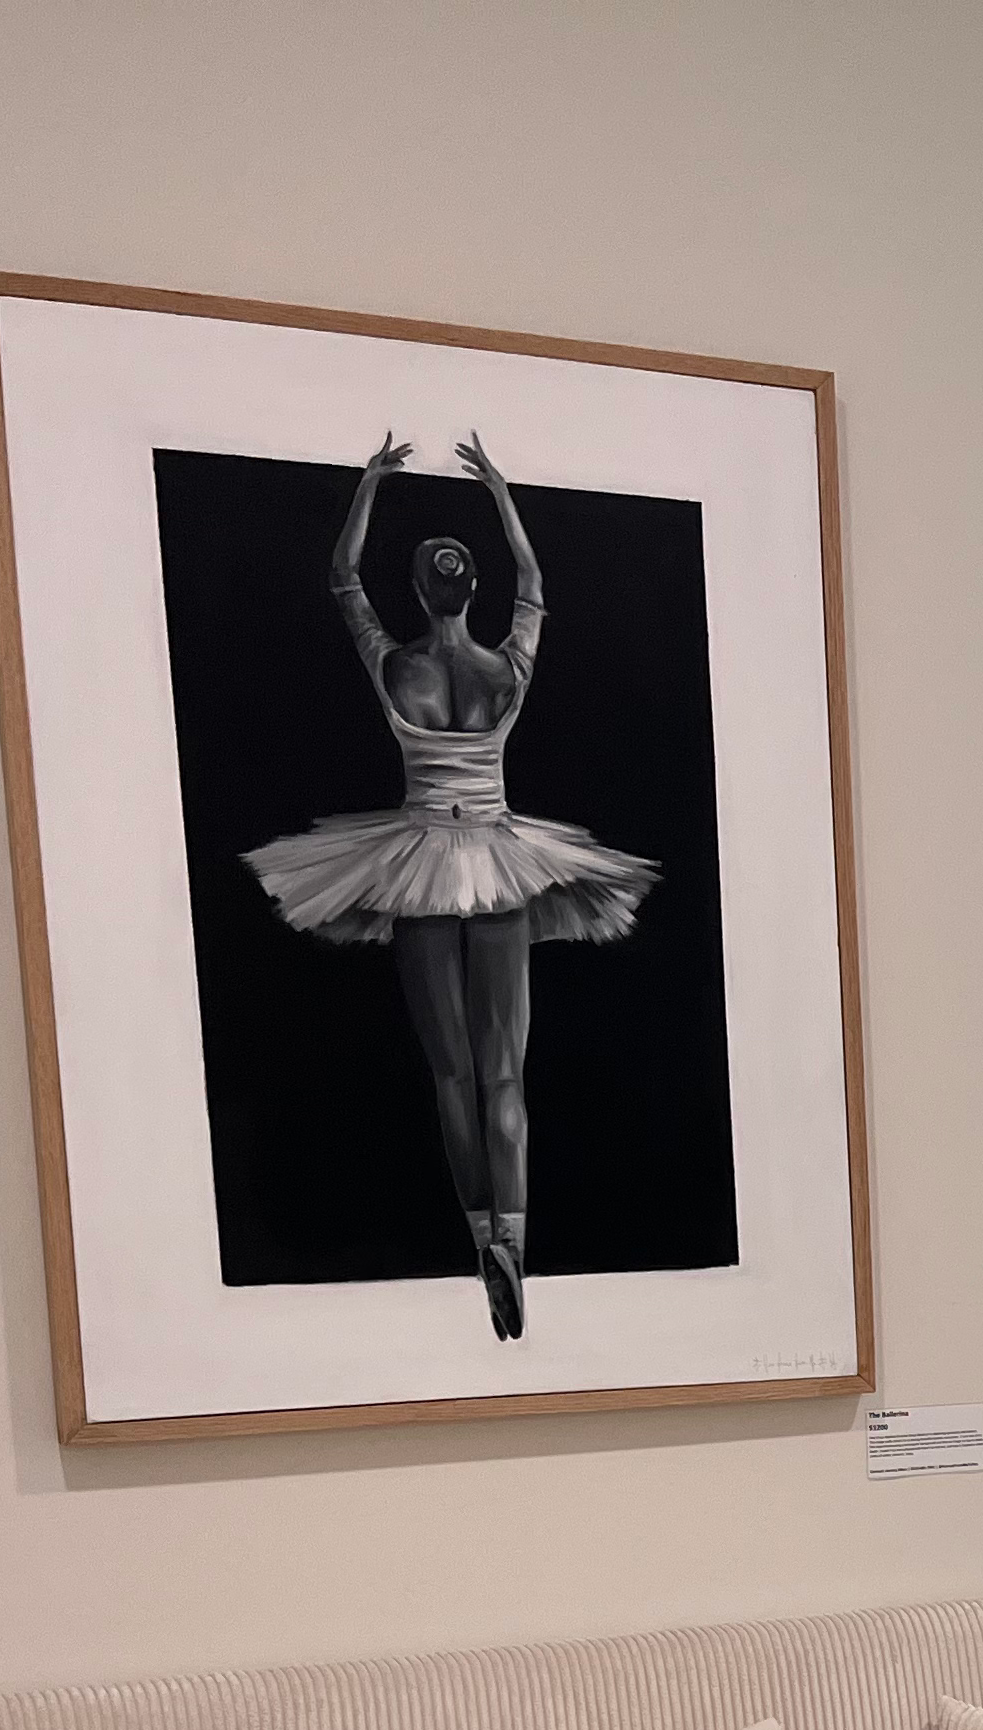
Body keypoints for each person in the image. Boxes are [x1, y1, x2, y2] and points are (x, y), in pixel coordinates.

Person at [243, 434, 656, 1339]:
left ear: (422, 593)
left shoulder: (397, 668)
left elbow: (343, 581)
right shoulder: (506, 671)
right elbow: (538, 584)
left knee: (450, 1070)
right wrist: (504, 494)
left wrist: (369, 486)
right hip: (502, 861)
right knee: (507, 1073)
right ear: (472, 592)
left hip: (422, 860)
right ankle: (514, 1236)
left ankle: (480, 1241)